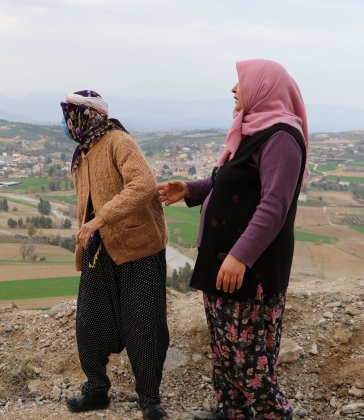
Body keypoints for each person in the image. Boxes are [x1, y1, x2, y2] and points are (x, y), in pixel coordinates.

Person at [158, 59, 307, 420]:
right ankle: (232, 412)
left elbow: (274, 206)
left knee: (252, 365)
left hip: (250, 271)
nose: (234, 88)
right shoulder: (253, 131)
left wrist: (240, 256)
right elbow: (231, 182)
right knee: (225, 355)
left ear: (263, 87)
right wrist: (190, 189)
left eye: (240, 81)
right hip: (223, 262)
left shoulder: (282, 139)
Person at [61, 90, 170, 419]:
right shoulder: (83, 153)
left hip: (138, 246)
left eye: (72, 113)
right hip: (99, 250)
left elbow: (143, 184)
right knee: (90, 322)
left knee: (144, 323)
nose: (67, 121)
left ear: (89, 114)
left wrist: (101, 219)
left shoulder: (117, 140)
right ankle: (96, 390)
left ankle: (149, 399)